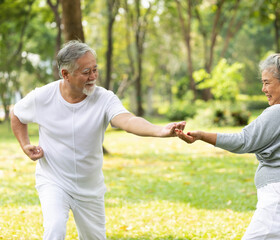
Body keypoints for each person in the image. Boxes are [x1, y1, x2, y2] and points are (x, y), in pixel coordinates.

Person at [10, 40, 186, 240]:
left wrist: (159, 130)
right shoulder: (43, 96)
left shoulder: (104, 98)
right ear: (65, 74)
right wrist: (25, 144)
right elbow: (16, 114)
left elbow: (127, 119)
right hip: (54, 180)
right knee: (54, 230)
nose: (93, 77)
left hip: (89, 188)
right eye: (86, 72)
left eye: (95, 69)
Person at [176, 48, 280, 239]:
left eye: (267, 83)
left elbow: (243, 141)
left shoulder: (278, 112)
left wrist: (202, 135)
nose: (263, 89)